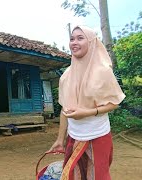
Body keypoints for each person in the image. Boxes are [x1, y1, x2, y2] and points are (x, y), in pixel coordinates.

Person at [48, 26, 125, 180]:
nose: (74, 42)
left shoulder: (103, 71)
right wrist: (59, 140)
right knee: (73, 175)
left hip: (98, 136)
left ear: (91, 42)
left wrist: (88, 112)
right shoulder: (66, 76)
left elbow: (114, 103)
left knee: (98, 176)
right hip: (74, 136)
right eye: (72, 39)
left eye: (80, 38)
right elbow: (65, 109)